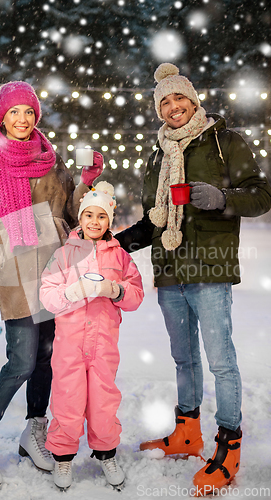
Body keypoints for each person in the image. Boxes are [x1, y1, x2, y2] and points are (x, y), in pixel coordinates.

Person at [115, 63, 271, 495]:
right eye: (163, 101)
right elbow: (154, 221)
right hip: (169, 269)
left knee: (221, 361)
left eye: (178, 97)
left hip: (211, 267)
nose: (172, 106)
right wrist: (115, 243)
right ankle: (187, 432)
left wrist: (223, 198)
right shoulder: (158, 154)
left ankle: (229, 444)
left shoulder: (225, 142)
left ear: (193, 99)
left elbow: (262, 194)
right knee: (184, 359)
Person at [0, 81, 104, 490]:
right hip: (14, 273)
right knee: (21, 362)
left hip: (56, 271)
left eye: (29, 113)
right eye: (14, 113)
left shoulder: (51, 158)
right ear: (1, 118)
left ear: (36, 116)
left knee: (46, 360)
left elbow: (73, 215)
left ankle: (33, 430)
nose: (22, 120)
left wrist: (87, 181)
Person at [40, 181, 144, 490]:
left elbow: (136, 295)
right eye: (89, 216)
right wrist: (71, 291)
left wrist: (116, 290)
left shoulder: (120, 256)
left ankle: (106, 452)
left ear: (109, 221)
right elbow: (48, 295)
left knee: (103, 400)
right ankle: (62, 457)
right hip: (69, 344)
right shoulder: (63, 254)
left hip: (103, 345)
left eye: (101, 217)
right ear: (80, 219)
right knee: (67, 399)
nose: (94, 222)